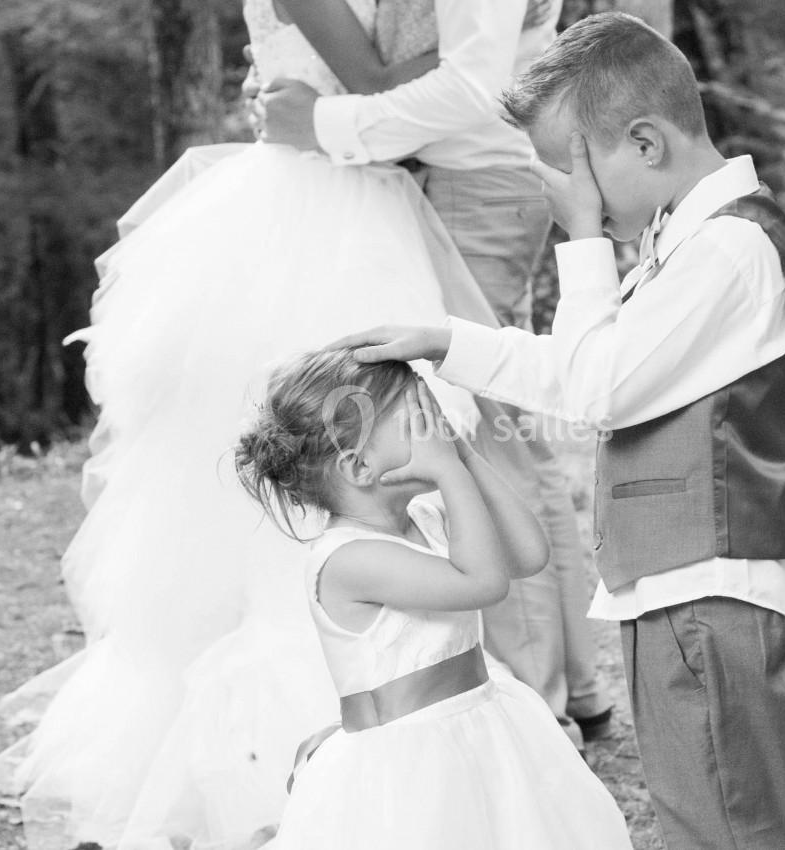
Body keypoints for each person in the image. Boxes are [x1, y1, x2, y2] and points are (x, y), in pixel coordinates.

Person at [0, 2, 567, 848]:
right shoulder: (362, 551)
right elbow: (381, 77)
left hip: (370, 177)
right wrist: (490, 65)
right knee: (362, 408)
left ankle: (526, 684)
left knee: (449, 407)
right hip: (323, 189)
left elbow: (418, 76)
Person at [337, 12, 785, 850]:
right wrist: (449, 340)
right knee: (702, 813)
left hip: (708, 583)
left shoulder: (731, 250)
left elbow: (593, 389)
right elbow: (584, 368)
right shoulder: (687, 237)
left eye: (571, 170)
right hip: (674, 581)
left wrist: (585, 240)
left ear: (644, 142)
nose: (565, 195)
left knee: (732, 824)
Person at [259, 0, 614, 746]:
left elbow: (471, 79)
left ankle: (542, 699)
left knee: (481, 431)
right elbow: (425, 65)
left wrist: (325, 122)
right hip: (426, 179)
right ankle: (570, 684)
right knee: (506, 440)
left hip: (468, 177)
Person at [230, 348, 632, 849]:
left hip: (484, 728)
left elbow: (528, 554)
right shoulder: (348, 559)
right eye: (417, 422)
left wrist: (463, 455)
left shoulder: (426, 517)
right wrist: (449, 472)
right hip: (410, 768)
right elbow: (483, 584)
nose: (435, 429)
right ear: (359, 467)